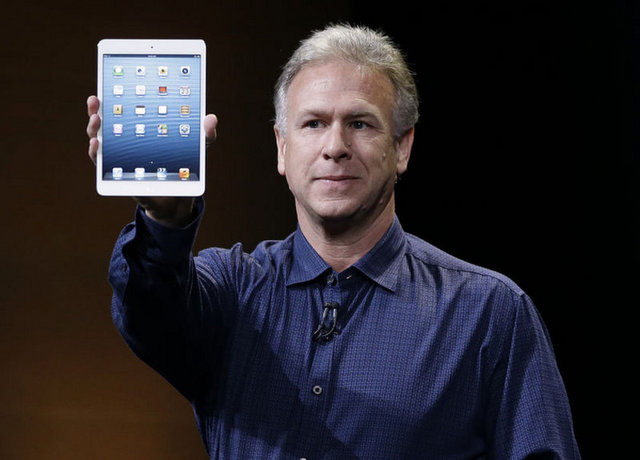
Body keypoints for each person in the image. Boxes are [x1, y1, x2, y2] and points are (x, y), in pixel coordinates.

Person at [86, 24, 580, 459]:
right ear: (282, 148)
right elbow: (150, 309)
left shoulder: (490, 313)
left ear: (402, 147)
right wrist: (165, 216)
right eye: (314, 123)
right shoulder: (230, 290)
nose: (335, 146)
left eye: (359, 124)